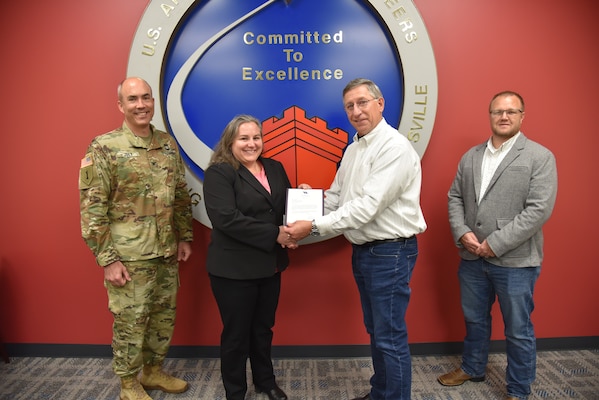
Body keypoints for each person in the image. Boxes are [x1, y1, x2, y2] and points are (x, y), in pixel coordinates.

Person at [285, 78, 427, 400]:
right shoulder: (353, 149)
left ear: (380, 104)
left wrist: (314, 227)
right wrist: (312, 202)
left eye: (363, 102)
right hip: (366, 252)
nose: (356, 111)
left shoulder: (394, 148)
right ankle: (381, 393)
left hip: (390, 253)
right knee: (377, 333)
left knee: (389, 337)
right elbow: (339, 199)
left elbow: (366, 208)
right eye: (350, 105)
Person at [437, 91, 558, 400]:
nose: (504, 116)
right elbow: (454, 198)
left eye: (511, 111)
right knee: (475, 319)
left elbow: (538, 210)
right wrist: (462, 233)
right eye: (498, 111)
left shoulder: (539, 157)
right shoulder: (471, 156)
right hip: (472, 257)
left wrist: (496, 243)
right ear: (489, 115)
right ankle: (472, 367)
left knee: (518, 330)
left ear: (522, 116)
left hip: (515, 261)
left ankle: (518, 390)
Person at [79, 77, 193, 400]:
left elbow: (181, 195)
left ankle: (153, 371)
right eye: (133, 100)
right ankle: (129, 384)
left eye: (146, 98)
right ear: (121, 105)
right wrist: (108, 260)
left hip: (166, 252)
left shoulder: (167, 144)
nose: (141, 105)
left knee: (162, 317)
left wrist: (184, 236)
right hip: (129, 257)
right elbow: (92, 209)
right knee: (130, 322)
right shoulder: (104, 147)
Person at [203, 114, 296, 400]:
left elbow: (284, 206)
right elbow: (225, 219)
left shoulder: (275, 168)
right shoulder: (219, 172)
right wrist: (275, 234)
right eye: (244, 138)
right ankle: (236, 391)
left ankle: (265, 382)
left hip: (270, 266)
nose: (251, 143)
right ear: (230, 142)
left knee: (263, 330)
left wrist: (302, 200)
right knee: (236, 336)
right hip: (233, 270)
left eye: (256, 137)